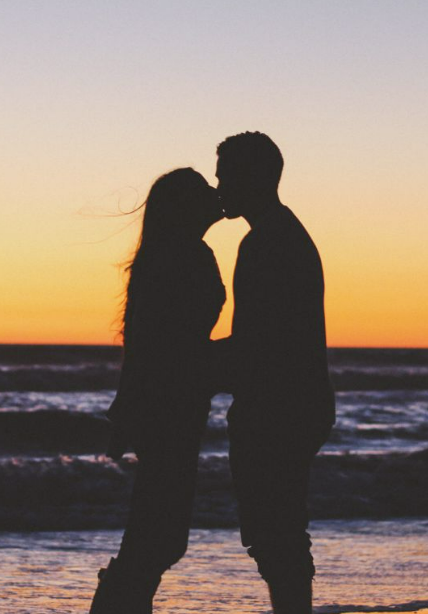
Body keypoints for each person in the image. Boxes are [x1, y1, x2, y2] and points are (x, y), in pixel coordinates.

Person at [89, 168, 225, 614]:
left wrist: (124, 411)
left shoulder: (168, 254)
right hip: (173, 407)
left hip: (169, 406)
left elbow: (146, 341)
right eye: (205, 190)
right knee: (160, 534)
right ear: (187, 207)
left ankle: (121, 602)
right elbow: (168, 344)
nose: (216, 193)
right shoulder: (186, 256)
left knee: (157, 530)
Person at [214, 132, 335, 614]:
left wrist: (183, 365)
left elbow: (256, 343)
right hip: (297, 403)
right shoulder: (280, 233)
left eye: (225, 174)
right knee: (278, 532)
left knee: (274, 533)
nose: (219, 183)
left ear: (255, 178)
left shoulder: (267, 241)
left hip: (278, 408)